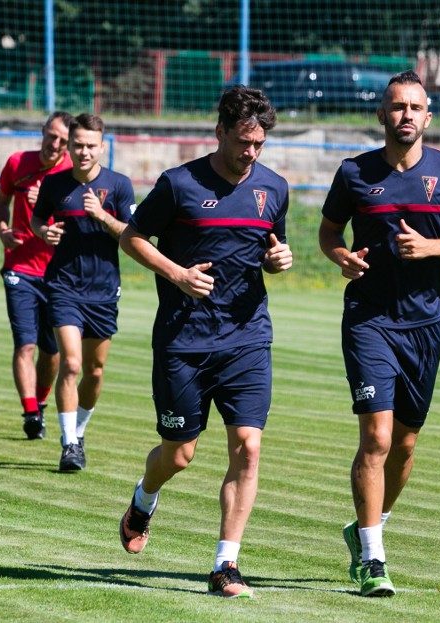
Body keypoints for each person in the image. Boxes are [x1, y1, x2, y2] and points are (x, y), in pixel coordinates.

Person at [118, 85, 293, 599]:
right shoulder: (178, 184)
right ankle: (144, 499)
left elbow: (271, 246)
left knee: (248, 446)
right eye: (243, 141)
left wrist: (277, 261)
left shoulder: (274, 188)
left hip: (247, 337)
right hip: (183, 339)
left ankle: (225, 565)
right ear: (219, 131)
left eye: (259, 144)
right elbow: (131, 238)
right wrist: (176, 274)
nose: (251, 153)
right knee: (179, 453)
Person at [319, 70, 440, 597]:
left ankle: (368, 526)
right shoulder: (353, 173)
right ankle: (373, 559)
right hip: (369, 320)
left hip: (426, 323)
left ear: (428, 116)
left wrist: (433, 248)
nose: (406, 115)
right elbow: (328, 231)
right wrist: (339, 255)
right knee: (378, 438)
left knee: (406, 445)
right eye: (397, 107)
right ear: (382, 115)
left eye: (415, 107)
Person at [31, 113, 136, 471]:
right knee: (71, 363)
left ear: (102, 146)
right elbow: (37, 219)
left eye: (91, 146)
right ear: (68, 145)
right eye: (77, 145)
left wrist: (102, 216)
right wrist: (44, 233)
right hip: (62, 286)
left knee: (94, 370)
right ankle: (69, 444)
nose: (83, 152)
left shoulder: (119, 186)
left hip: (104, 291)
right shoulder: (55, 184)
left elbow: (132, 235)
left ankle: (79, 430)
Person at [0, 111, 74, 440]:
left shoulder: (73, 172)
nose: (55, 145)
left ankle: (39, 403)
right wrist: (2, 229)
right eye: (51, 136)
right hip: (20, 267)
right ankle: (30, 412)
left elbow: (78, 219)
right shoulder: (17, 162)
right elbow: (0, 202)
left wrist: (47, 207)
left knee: (51, 352)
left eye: (63, 141)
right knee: (24, 345)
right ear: (43, 131)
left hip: (57, 272)